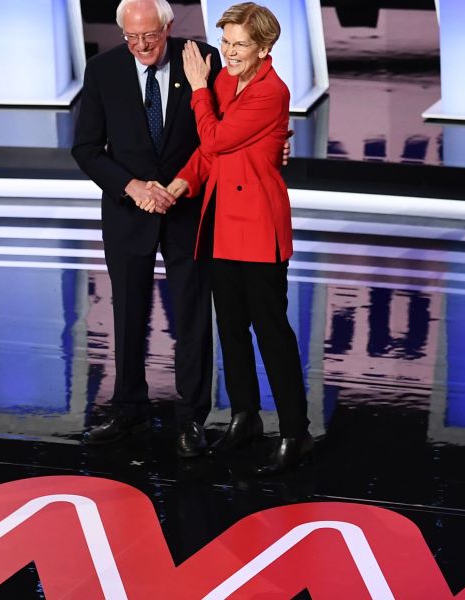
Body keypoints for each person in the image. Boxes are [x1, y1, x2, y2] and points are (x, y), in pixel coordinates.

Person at [167, 2, 312, 475]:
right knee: (230, 328)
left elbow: (215, 139)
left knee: (272, 333)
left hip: (258, 226)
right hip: (222, 223)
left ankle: (294, 432)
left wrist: (197, 90)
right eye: (225, 42)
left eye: (239, 45)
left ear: (265, 47)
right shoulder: (226, 82)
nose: (228, 52)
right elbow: (209, 158)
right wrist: (182, 182)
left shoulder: (272, 91)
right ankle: (245, 416)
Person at [72, 0, 222, 457]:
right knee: (128, 314)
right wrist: (131, 186)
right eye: (131, 38)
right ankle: (128, 410)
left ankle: (192, 419)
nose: (141, 47)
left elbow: (220, 131)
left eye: (150, 37)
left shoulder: (202, 58)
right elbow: (86, 148)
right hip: (128, 211)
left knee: (193, 317)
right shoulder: (103, 70)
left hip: (188, 206)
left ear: (168, 27)